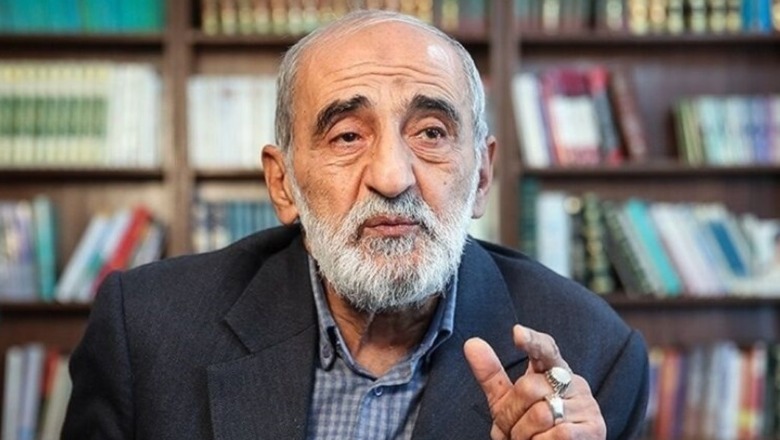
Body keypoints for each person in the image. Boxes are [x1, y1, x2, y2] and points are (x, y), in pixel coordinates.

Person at [62, 9, 649, 440]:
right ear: (283, 184)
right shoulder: (146, 330)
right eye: (347, 136)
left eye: (431, 133)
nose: (392, 177)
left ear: (481, 176)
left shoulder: (594, 356)